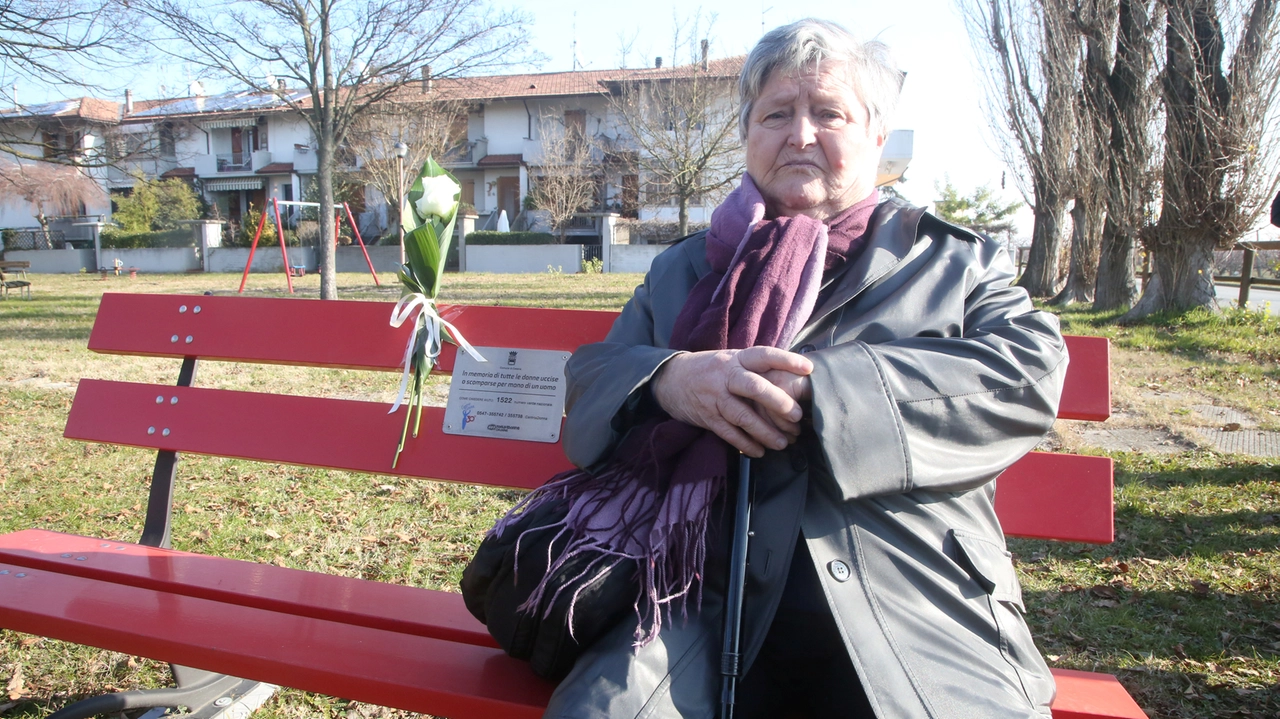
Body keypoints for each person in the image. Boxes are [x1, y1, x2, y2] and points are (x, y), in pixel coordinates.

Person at [539, 18, 1067, 719]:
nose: (800, 133)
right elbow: (593, 377)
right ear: (747, 134)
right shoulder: (686, 266)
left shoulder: (953, 263)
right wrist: (671, 380)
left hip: (909, 591)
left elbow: (1029, 373)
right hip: (693, 590)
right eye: (777, 113)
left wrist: (828, 392)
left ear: (878, 137)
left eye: (829, 112)